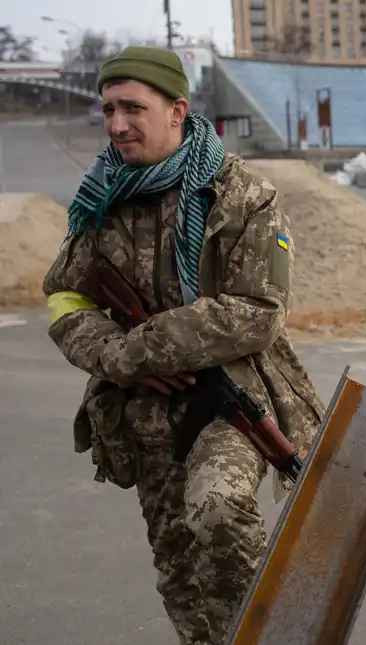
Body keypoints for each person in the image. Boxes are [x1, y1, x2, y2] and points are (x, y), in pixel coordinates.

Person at [43, 46, 325, 644]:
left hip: (235, 398)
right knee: (181, 576)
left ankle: (273, 636)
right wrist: (116, 358)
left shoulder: (243, 196)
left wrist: (142, 349)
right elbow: (65, 299)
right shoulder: (100, 201)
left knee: (217, 506)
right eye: (108, 109)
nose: (118, 124)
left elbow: (258, 312)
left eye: (133, 108)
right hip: (144, 413)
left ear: (177, 110)